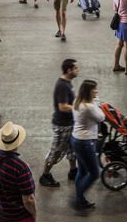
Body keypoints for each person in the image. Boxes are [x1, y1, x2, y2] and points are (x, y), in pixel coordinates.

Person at [0, 121, 37, 221]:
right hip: (19, 216)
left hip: (1, 212)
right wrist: (34, 213)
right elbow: (28, 200)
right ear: (17, 142)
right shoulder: (21, 167)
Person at [39, 59, 79, 188]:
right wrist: (79, 108)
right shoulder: (62, 85)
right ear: (69, 70)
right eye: (75, 68)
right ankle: (45, 175)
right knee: (56, 152)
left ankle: (73, 171)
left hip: (69, 123)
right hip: (62, 125)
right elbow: (62, 107)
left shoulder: (67, 82)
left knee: (72, 149)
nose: (78, 70)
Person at [70, 79, 105, 211]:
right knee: (94, 173)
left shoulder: (77, 101)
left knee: (82, 170)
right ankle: (79, 197)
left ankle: (79, 199)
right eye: (94, 89)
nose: (97, 91)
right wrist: (96, 104)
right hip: (85, 142)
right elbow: (101, 117)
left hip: (76, 139)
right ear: (89, 92)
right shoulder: (89, 107)